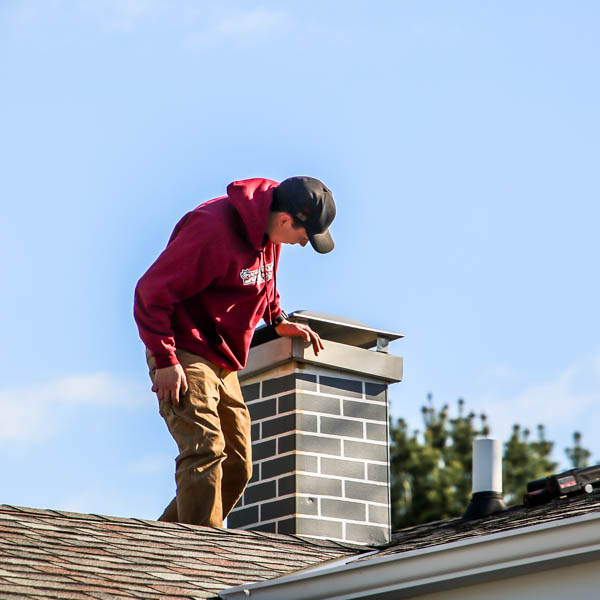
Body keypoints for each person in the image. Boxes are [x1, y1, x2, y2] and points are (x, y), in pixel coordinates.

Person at [133, 176, 336, 527]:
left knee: (237, 465)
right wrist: (165, 360)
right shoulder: (211, 230)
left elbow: (263, 278)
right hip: (183, 348)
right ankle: (197, 555)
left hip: (222, 360)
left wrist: (277, 319)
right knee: (205, 449)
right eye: (305, 237)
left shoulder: (269, 232)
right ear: (287, 220)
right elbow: (151, 292)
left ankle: (165, 541)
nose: (303, 244)